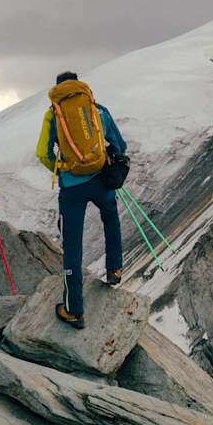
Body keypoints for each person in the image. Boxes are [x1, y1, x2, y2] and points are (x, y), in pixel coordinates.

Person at [36, 71, 127, 330]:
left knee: (72, 245)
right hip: (100, 182)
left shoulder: (53, 114)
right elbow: (120, 145)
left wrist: (61, 168)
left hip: (72, 188)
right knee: (110, 217)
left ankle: (74, 310)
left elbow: (42, 152)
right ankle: (114, 270)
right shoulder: (96, 108)